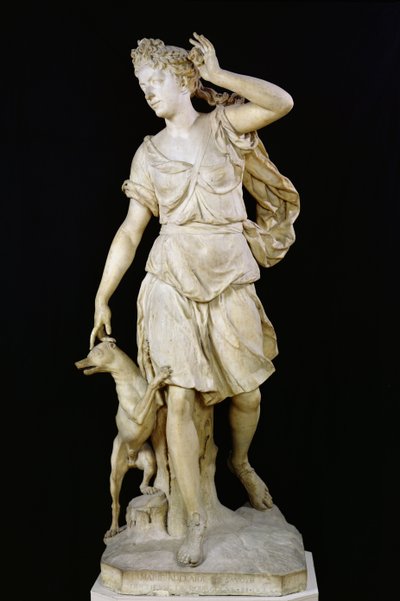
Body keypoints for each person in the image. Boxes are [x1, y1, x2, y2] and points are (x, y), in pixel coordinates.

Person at [89, 33, 299, 568]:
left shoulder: (225, 126)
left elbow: (281, 102)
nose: (147, 92)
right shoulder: (149, 153)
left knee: (248, 393)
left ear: (184, 81)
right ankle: (197, 516)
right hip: (170, 277)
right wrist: (102, 295)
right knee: (179, 398)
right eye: (142, 85)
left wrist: (219, 76)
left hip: (228, 272)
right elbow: (131, 231)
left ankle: (240, 462)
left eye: (155, 81)